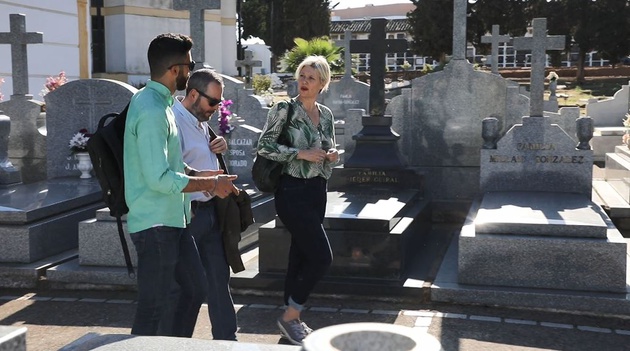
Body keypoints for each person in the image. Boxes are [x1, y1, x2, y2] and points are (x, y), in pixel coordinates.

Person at [124, 33, 238, 337]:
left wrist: (212, 180)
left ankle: (175, 345)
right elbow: (159, 178)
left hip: (174, 219)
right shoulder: (150, 110)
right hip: (154, 223)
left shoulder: (163, 104)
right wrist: (210, 184)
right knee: (153, 307)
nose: (191, 72)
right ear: (175, 70)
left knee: (194, 288)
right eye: (189, 65)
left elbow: (175, 166)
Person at [256, 55, 339, 345]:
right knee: (322, 257)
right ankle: (291, 315)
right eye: (302, 76)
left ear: (322, 84)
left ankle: (292, 320)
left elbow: (329, 147)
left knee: (300, 255)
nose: (304, 82)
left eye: (311, 78)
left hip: (318, 189)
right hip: (291, 190)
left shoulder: (326, 114)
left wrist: (332, 155)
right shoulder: (284, 108)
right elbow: (264, 145)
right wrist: (298, 153)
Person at [171, 68, 238, 340]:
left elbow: (201, 157)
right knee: (189, 287)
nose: (216, 108)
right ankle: (175, 343)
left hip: (211, 211)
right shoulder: (173, 119)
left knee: (219, 278)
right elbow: (175, 170)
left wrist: (217, 143)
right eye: (213, 102)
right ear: (194, 94)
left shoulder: (199, 119)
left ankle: (226, 340)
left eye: (219, 103)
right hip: (189, 214)